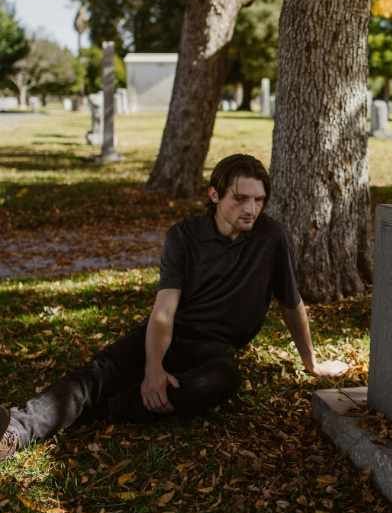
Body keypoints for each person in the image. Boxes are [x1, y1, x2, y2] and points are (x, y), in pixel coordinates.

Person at [1, 154, 348, 460]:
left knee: (218, 383)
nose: (251, 209)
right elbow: (164, 311)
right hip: (169, 335)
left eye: (259, 200)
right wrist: (154, 367)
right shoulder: (184, 236)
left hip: (215, 351)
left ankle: (111, 407)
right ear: (214, 195)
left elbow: (291, 302)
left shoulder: (271, 237)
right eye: (240, 199)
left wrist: (311, 362)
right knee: (98, 374)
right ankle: (15, 430)